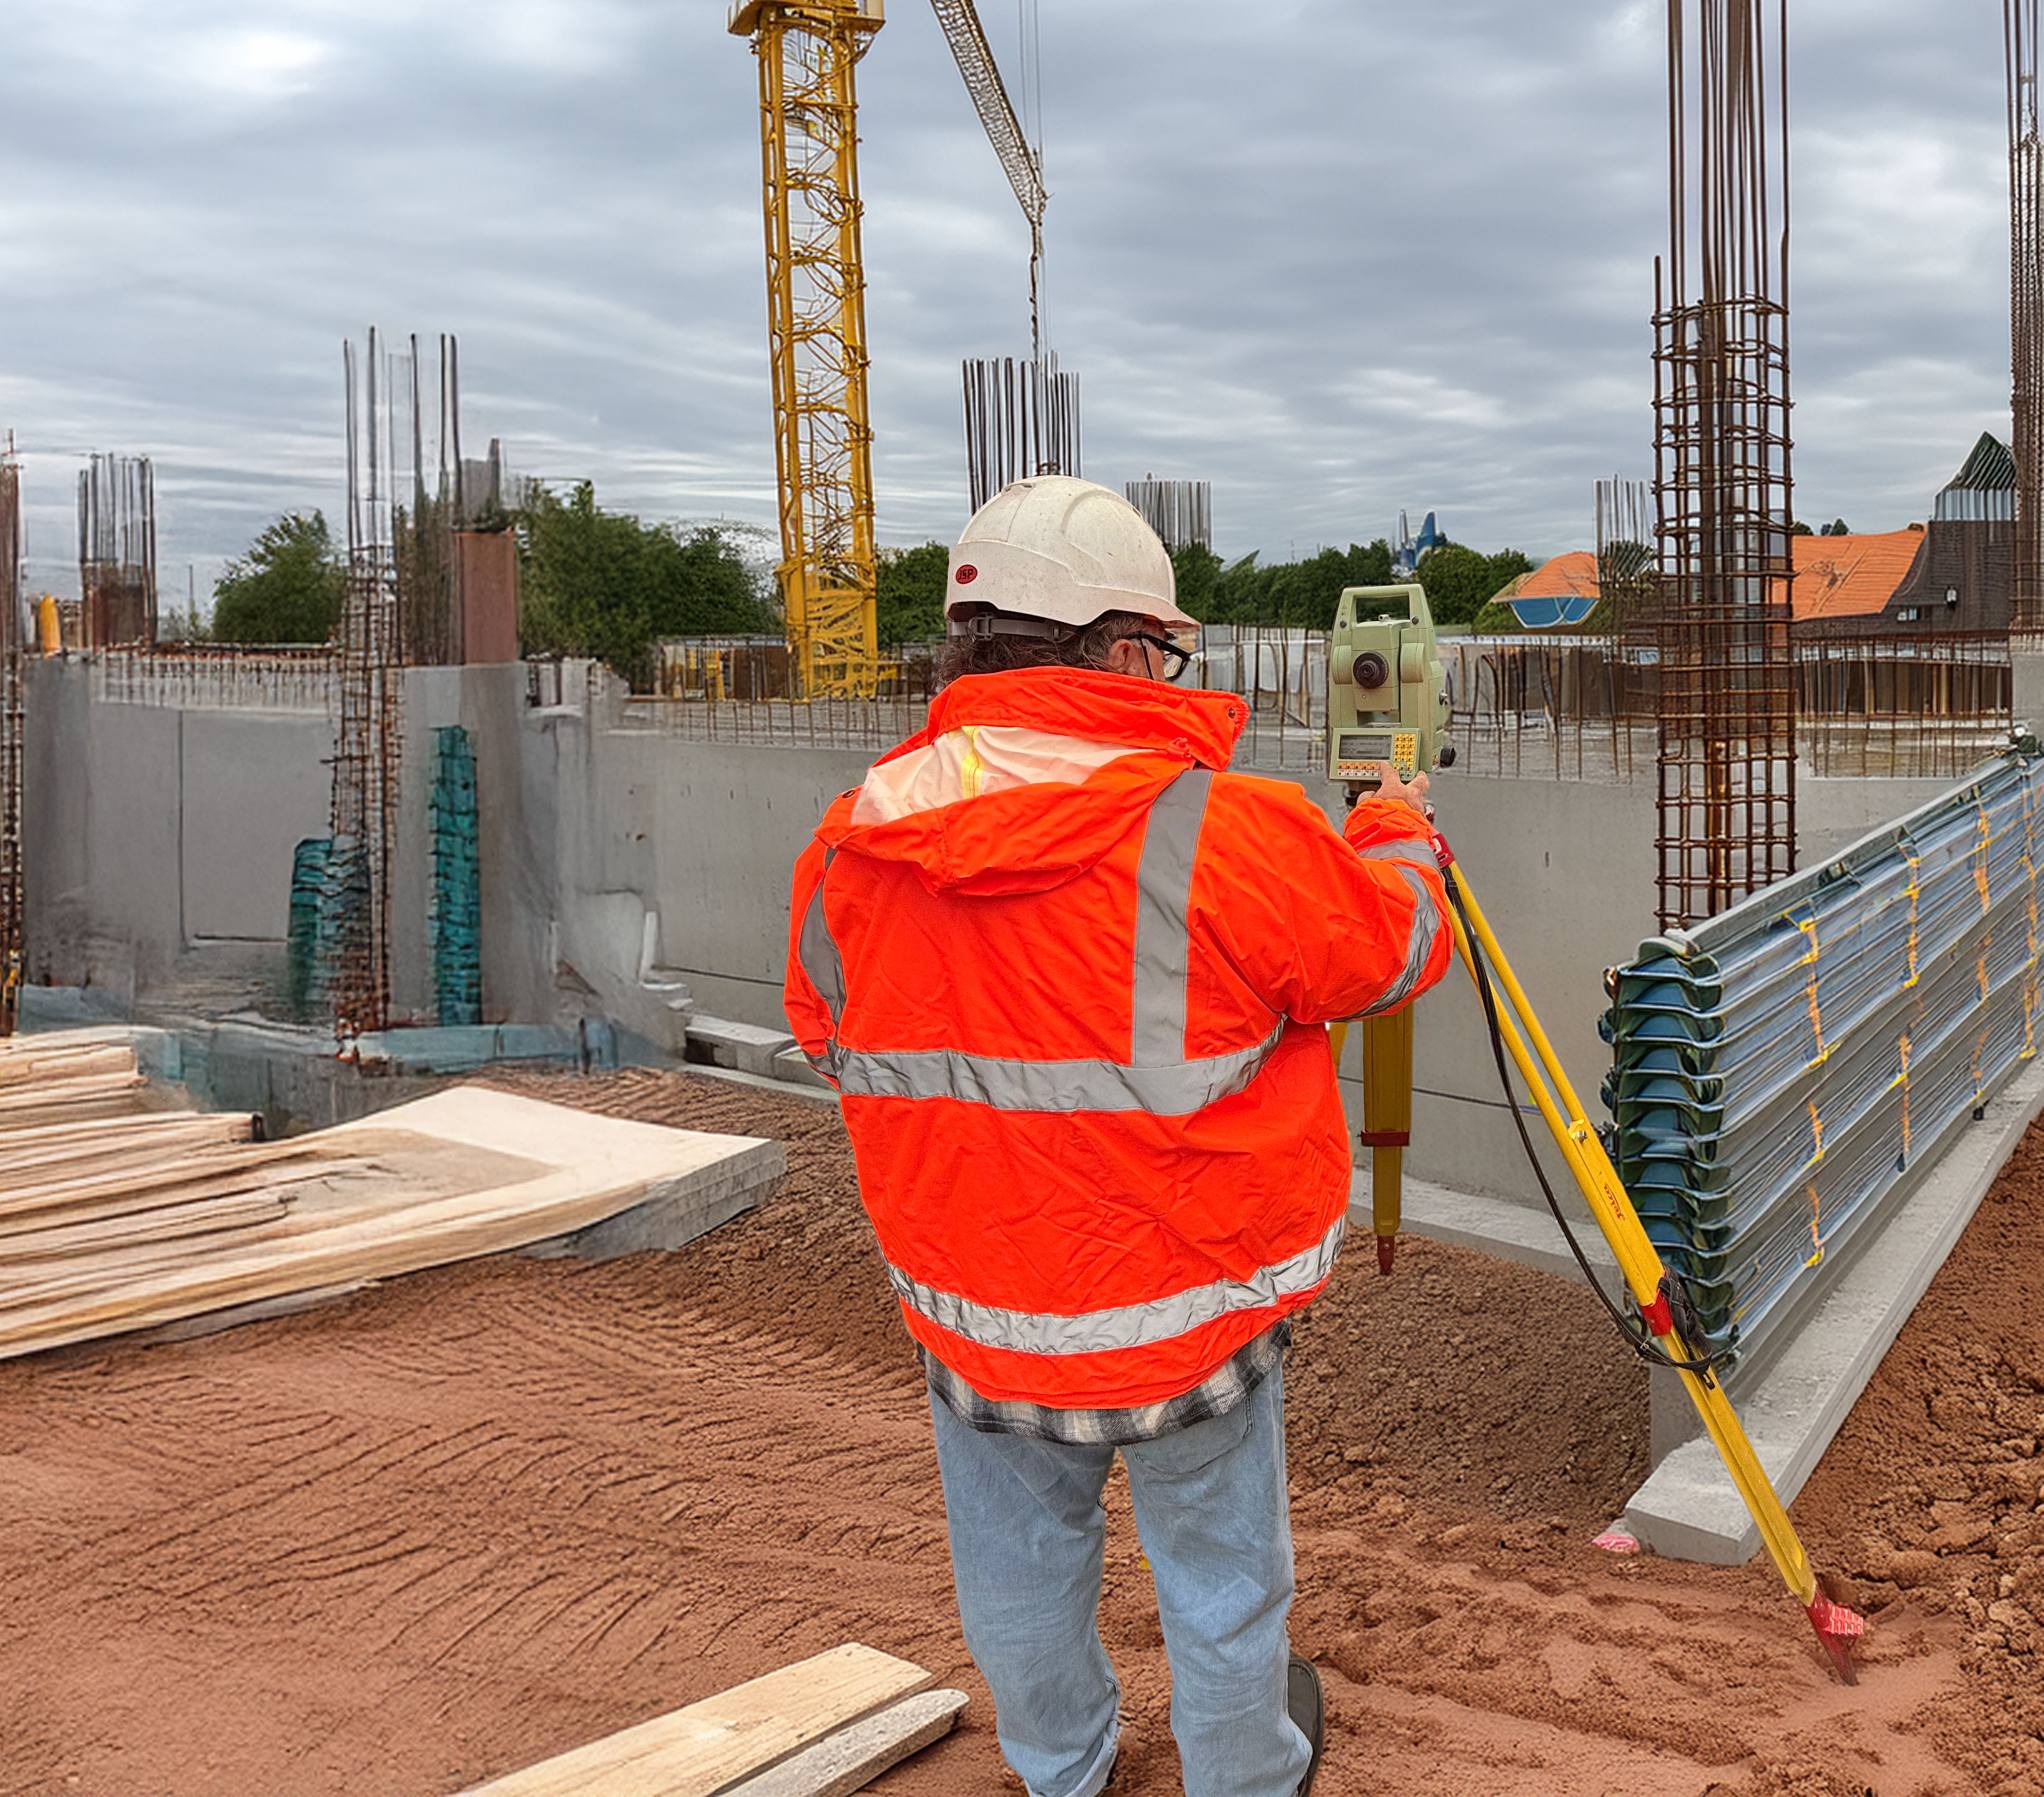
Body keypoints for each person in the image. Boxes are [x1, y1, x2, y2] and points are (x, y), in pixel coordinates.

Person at [783, 475, 1449, 1797]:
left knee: (1017, 1579)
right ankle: (1243, 1779)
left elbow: (828, 1028)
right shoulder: (1220, 828)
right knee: (1219, 1579)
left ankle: (1062, 1771)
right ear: (1127, 647)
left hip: (975, 1311)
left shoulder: (853, 838)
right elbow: (1389, 950)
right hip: (1183, 1307)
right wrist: (1396, 831)